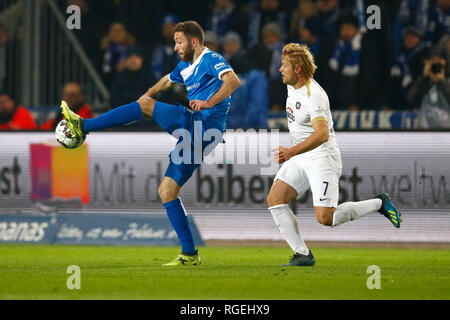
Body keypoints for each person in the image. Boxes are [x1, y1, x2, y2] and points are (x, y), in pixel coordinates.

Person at [61, 21, 240, 266]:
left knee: (145, 108)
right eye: (174, 42)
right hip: (198, 135)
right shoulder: (186, 66)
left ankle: (83, 127)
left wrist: (209, 103)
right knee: (167, 191)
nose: (176, 47)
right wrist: (147, 94)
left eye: (179, 42)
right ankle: (190, 254)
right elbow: (167, 80)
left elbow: (233, 82)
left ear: (194, 42)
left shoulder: (210, 58)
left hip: (203, 126)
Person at [266, 43, 401, 267]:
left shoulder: (314, 95)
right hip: (301, 156)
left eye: (284, 65)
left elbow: (322, 135)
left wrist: (290, 151)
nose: (280, 69)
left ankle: (380, 203)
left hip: (322, 157)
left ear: (298, 69)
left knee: (326, 218)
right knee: (275, 199)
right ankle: (302, 254)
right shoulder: (292, 86)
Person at [407, 47, 450, 128]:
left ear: (446, 62)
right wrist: (423, 78)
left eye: (439, 60)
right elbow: (410, 99)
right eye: (433, 59)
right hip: (425, 132)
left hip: (447, 133)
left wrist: (442, 82)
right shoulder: (424, 81)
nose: (436, 62)